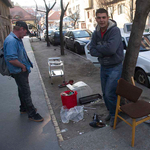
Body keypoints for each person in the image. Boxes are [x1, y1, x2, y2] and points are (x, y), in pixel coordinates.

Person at [3, 21, 44, 122]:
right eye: (25, 32)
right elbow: (11, 59)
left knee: (21, 89)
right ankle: (32, 114)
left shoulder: (17, 39)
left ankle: (23, 108)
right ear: (21, 29)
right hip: (19, 70)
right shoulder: (12, 41)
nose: (25, 34)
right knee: (26, 91)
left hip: (21, 70)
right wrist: (23, 67)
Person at [90, 8, 124, 127]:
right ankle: (111, 112)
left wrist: (100, 49)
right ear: (96, 19)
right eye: (99, 18)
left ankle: (116, 116)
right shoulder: (96, 33)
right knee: (105, 93)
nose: (101, 20)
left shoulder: (115, 31)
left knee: (110, 93)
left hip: (115, 66)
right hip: (103, 66)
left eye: (103, 17)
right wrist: (104, 50)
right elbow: (91, 50)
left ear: (107, 18)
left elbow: (111, 49)